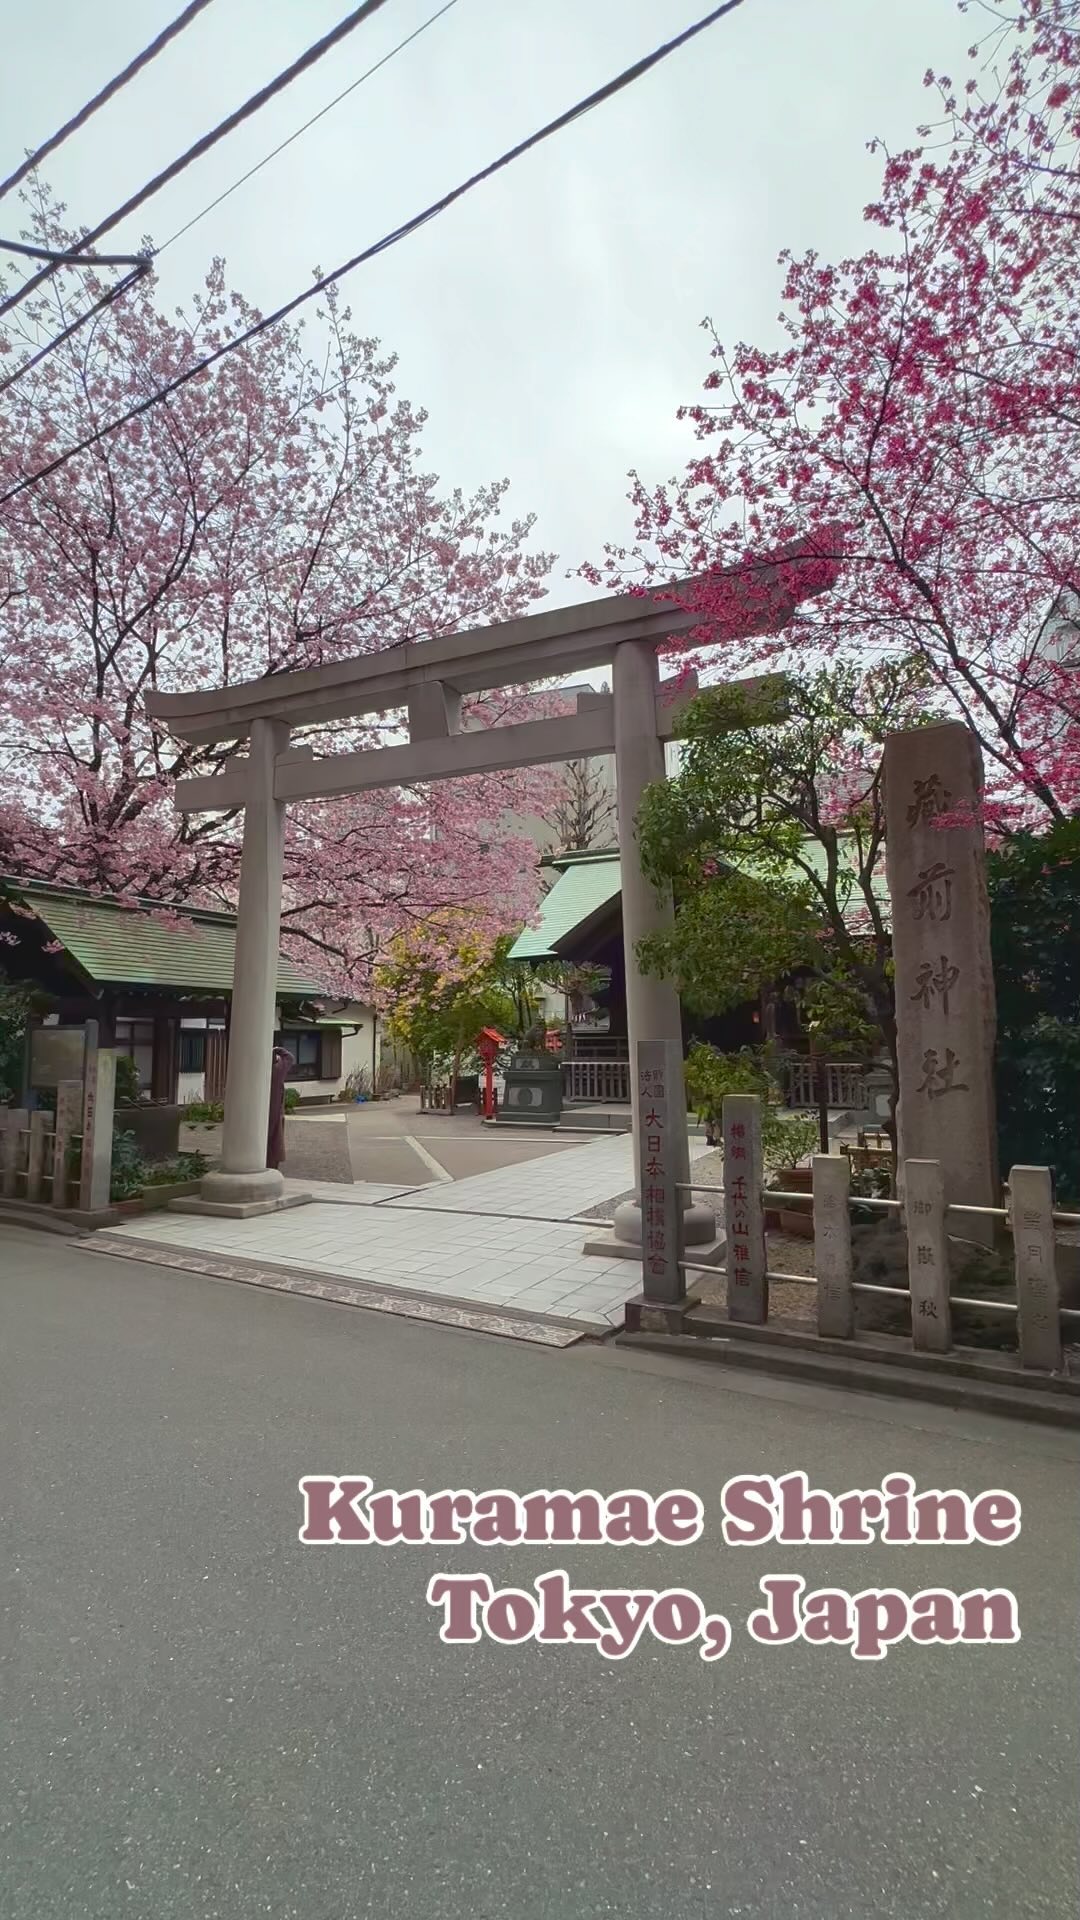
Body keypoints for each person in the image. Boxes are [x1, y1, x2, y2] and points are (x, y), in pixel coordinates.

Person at [266, 1046, 294, 1171]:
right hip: (275, 1109)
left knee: (266, 1139)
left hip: (261, 1110)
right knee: (275, 1138)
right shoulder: (277, 1070)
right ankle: (272, 1166)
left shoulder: (259, 1072)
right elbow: (289, 1057)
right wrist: (277, 1049)